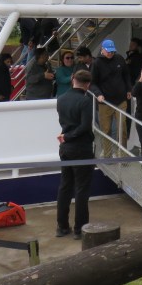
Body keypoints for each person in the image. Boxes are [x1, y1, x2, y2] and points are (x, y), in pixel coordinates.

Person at [56, 69, 95, 239]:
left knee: (65, 186)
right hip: (81, 148)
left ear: (73, 80)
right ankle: (80, 228)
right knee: (81, 189)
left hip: (65, 148)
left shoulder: (61, 99)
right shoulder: (85, 101)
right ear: (88, 84)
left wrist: (65, 137)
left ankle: (62, 226)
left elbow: (64, 122)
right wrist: (69, 136)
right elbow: (85, 126)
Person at [90, 39, 132, 152]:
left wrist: (129, 89)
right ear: (102, 50)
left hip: (121, 100)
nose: (110, 53)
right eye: (108, 51)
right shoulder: (96, 63)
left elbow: (126, 75)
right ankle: (107, 155)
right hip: (104, 102)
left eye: (112, 51)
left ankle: (122, 154)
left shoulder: (119, 58)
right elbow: (92, 83)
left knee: (122, 128)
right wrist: (98, 94)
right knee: (106, 129)